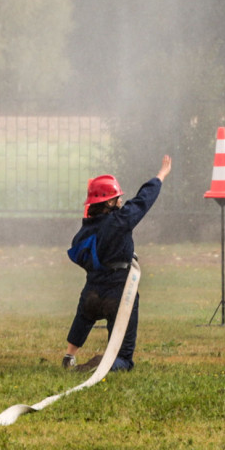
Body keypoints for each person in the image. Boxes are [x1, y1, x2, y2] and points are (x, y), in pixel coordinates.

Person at [62, 155, 172, 373]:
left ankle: (69, 356)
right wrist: (160, 176)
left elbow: (79, 253)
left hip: (92, 291)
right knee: (124, 357)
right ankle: (107, 365)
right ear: (109, 203)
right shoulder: (120, 221)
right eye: (117, 198)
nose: (121, 200)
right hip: (119, 294)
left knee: (84, 317)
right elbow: (143, 200)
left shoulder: (85, 231)